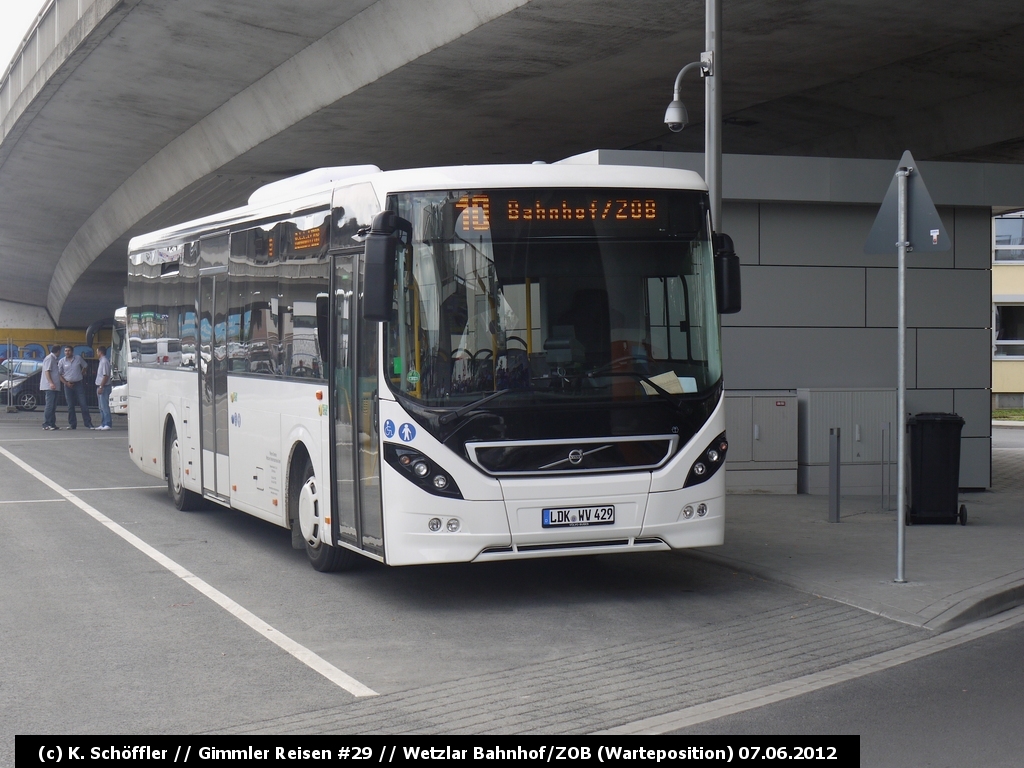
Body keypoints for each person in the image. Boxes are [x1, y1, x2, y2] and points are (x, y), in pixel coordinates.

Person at [58, 346, 94, 430]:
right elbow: (59, 374)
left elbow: (85, 365)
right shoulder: (62, 361)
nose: (67, 352)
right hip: (67, 385)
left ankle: (88, 423)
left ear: (72, 351)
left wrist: (81, 373)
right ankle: (72, 424)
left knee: (83, 404)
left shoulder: (78, 358)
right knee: (70, 405)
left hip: (78, 383)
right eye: (65, 351)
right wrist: (66, 383)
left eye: (69, 351)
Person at [41, 345, 61, 430]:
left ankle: (52, 423)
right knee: (49, 405)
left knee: (53, 405)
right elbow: (47, 371)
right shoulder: (49, 358)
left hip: (54, 386)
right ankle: (47, 423)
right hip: (50, 386)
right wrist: (51, 383)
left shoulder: (54, 359)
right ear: (58, 351)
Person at [95, 346, 112, 430]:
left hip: (104, 386)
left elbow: (105, 375)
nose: (96, 353)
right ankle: (103, 423)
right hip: (100, 386)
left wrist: (101, 386)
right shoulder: (101, 361)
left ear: (100, 352)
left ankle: (107, 423)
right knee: (101, 406)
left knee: (104, 406)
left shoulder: (104, 362)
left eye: (97, 352)